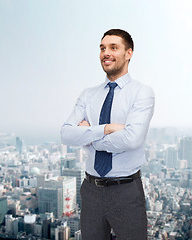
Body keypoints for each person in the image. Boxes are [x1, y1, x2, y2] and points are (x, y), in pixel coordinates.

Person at [61, 29, 155, 240]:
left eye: (114, 47)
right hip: (91, 190)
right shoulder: (88, 95)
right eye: (103, 48)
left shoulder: (142, 92)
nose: (106, 53)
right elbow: (66, 134)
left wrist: (88, 136)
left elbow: (133, 138)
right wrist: (106, 129)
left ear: (129, 53)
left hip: (126, 191)